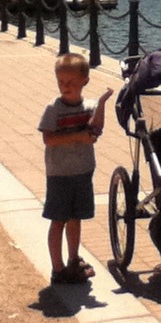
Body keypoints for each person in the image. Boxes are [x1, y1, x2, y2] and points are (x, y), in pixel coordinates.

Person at [38, 52, 113, 285]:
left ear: (84, 81)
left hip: (82, 171)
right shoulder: (53, 109)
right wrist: (77, 136)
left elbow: (96, 130)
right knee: (58, 220)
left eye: (71, 82)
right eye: (61, 82)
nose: (65, 87)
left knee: (75, 218)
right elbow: (49, 139)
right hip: (59, 174)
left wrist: (102, 104)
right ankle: (57, 268)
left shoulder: (89, 106)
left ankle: (73, 259)